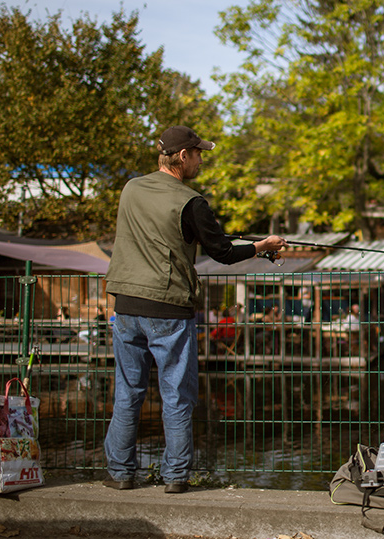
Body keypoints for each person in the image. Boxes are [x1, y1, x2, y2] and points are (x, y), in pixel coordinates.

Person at [102, 125, 285, 494]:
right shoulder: (191, 202)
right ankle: (175, 477)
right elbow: (222, 252)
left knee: (128, 392)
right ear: (183, 156)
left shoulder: (131, 188)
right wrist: (262, 245)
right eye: (199, 154)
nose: (202, 160)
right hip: (167, 308)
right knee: (177, 395)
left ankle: (120, 474)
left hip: (125, 306)